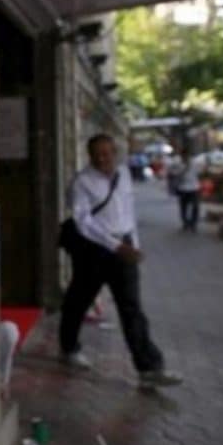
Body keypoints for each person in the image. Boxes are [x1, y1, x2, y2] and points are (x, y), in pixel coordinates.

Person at [59, 134, 183, 388]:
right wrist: (116, 246)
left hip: (124, 249)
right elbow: (83, 222)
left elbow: (128, 213)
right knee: (79, 300)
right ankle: (69, 346)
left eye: (107, 153)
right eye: (97, 154)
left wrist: (132, 244)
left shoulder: (124, 174)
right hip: (94, 251)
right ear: (89, 155)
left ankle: (149, 368)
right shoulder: (82, 182)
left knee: (131, 308)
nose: (102, 159)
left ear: (115, 153)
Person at [169, 150, 201, 231]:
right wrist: (179, 172)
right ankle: (185, 223)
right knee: (183, 207)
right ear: (182, 156)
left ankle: (193, 224)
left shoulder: (195, 162)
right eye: (184, 156)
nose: (185, 157)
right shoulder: (177, 163)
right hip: (182, 188)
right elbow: (172, 172)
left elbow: (200, 172)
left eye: (187, 155)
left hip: (194, 187)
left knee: (195, 206)